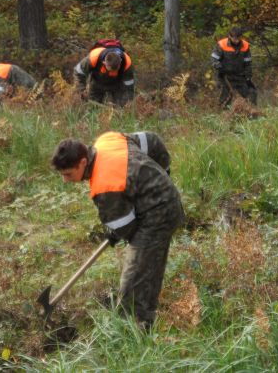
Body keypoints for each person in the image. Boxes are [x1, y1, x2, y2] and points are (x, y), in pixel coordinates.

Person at [51, 131, 184, 329]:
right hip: (159, 201)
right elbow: (151, 140)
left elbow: (127, 228)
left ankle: (136, 330)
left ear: (82, 162)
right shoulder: (107, 141)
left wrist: (116, 230)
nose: (66, 180)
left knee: (136, 276)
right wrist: (163, 173)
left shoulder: (104, 187)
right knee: (141, 265)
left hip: (160, 215)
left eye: (68, 174)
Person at [74, 40, 135, 107]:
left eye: (115, 70)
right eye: (111, 70)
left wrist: (128, 100)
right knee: (92, 108)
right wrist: (81, 89)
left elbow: (129, 85)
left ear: (120, 62)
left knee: (120, 108)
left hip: (117, 86)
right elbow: (78, 71)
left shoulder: (127, 63)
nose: (112, 73)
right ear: (104, 63)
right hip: (96, 84)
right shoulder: (94, 57)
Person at [211, 27, 256, 106]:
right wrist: (218, 66)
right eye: (234, 38)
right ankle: (222, 114)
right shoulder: (221, 44)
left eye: (238, 38)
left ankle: (251, 112)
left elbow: (248, 63)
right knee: (225, 97)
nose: (237, 41)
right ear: (229, 36)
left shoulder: (245, 45)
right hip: (224, 76)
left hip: (240, 76)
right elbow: (214, 59)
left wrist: (248, 77)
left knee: (250, 93)